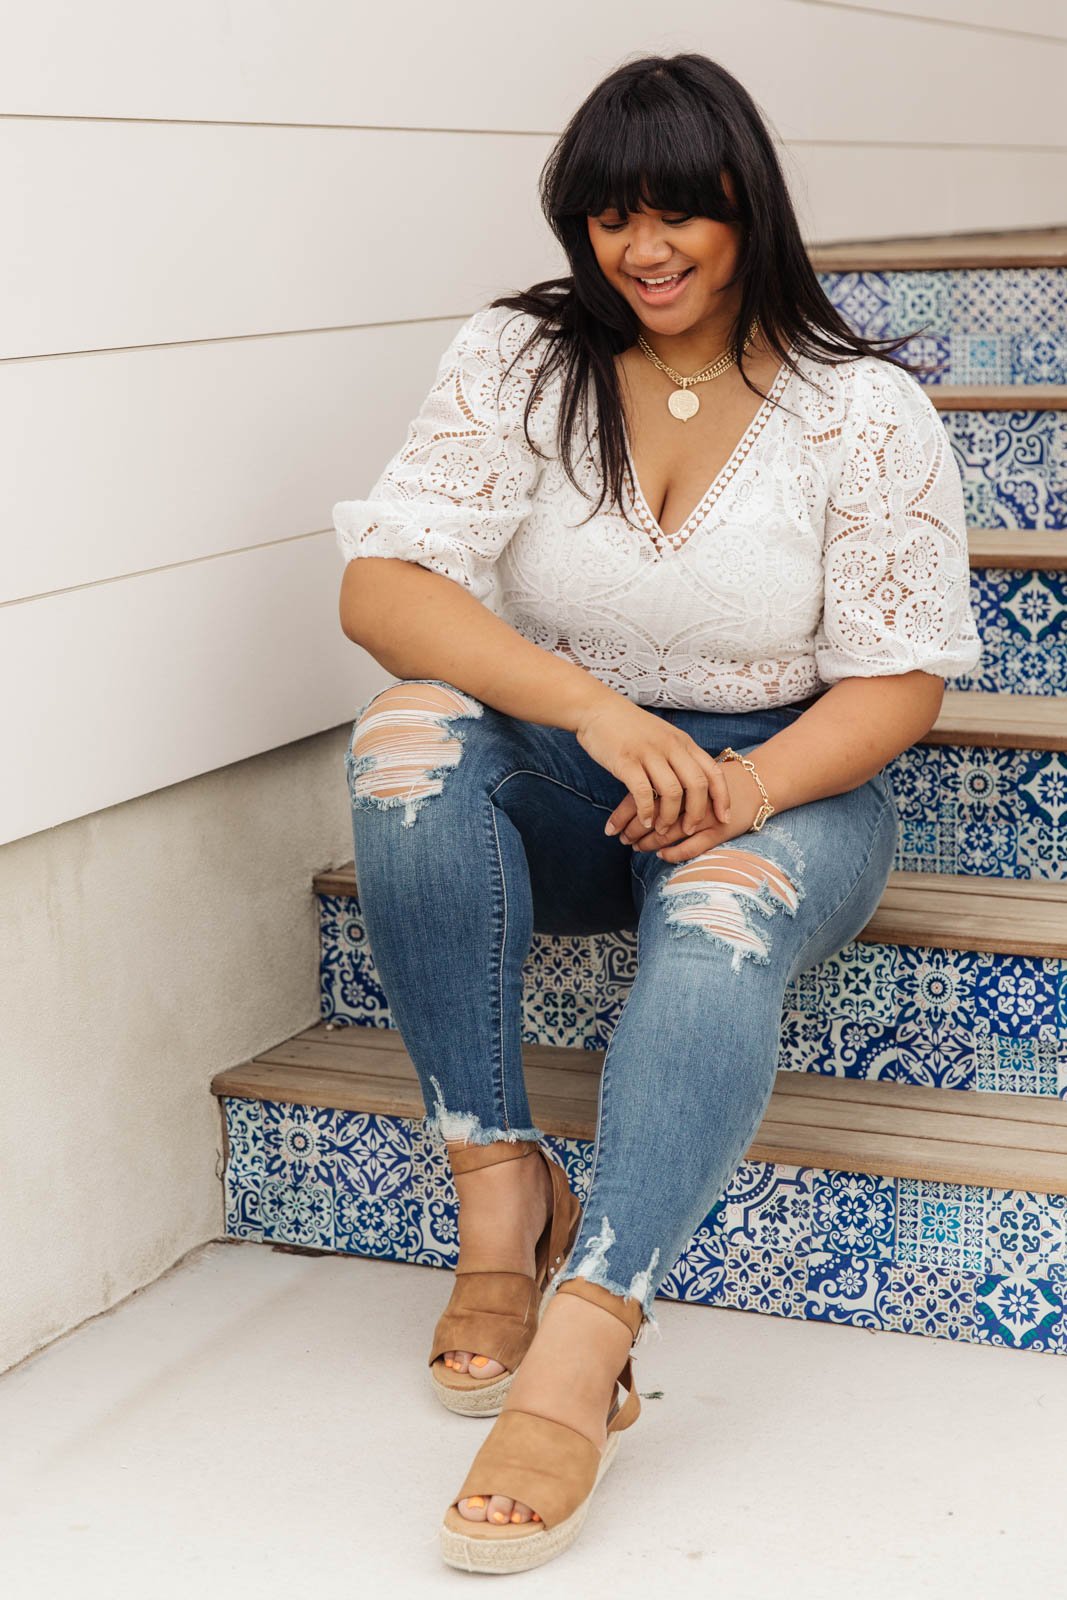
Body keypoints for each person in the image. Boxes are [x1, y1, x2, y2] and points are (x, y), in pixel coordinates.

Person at [333, 51, 982, 1576]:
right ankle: (500, 1187)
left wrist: (743, 786)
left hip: (792, 782)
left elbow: (899, 688)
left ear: (749, 207)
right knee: (410, 742)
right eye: (612, 216)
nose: (647, 250)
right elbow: (384, 588)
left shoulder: (865, 411)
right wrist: (595, 714)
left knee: (718, 900)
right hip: (584, 769)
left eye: (682, 212)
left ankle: (593, 1331)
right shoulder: (521, 358)